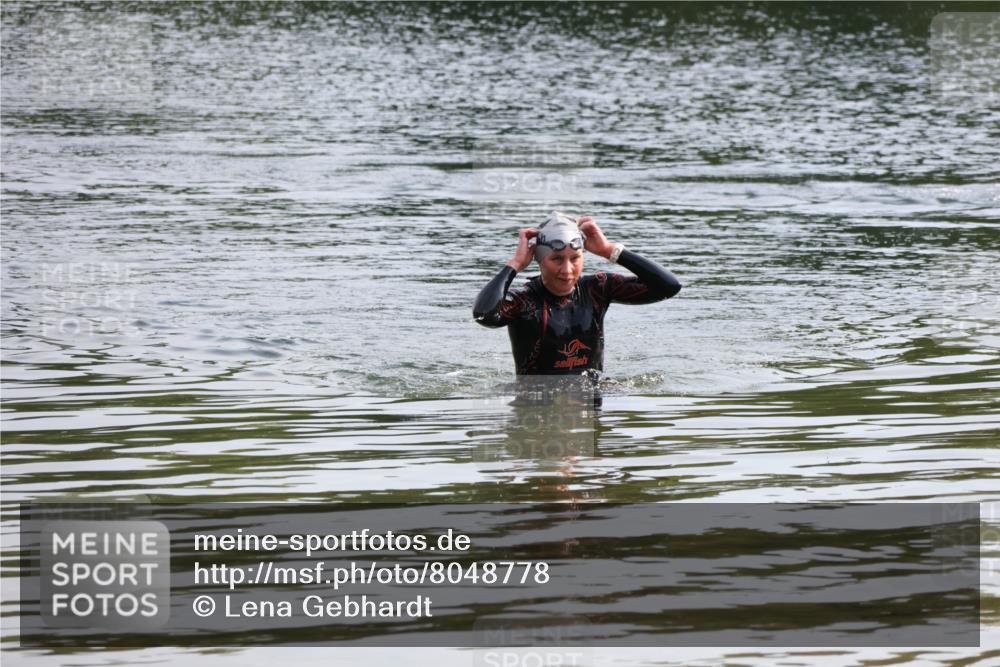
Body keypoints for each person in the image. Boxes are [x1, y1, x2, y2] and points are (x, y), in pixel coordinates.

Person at [474, 211, 682, 375]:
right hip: (538, 406)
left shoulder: (597, 289)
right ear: (539, 260)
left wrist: (610, 250)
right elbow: (484, 315)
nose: (567, 270)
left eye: (574, 258)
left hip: (589, 401)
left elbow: (668, 286)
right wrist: (515, 264)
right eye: (556, 259)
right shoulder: (525, 300)